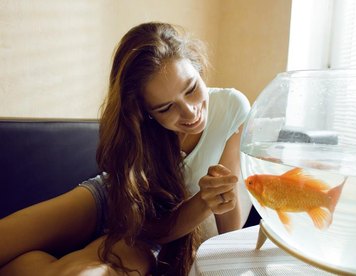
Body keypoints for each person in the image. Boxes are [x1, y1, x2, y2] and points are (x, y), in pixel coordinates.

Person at [0, 22, 251, 275]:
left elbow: (224, 229)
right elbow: (123, 201)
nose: (190, 111)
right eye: (166, 108)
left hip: (143, 231)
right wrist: (203, 202)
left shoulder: (232, 107)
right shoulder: (135, 131)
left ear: (197, 69)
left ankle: (32, 264)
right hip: (114, 198)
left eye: (191, 88)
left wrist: (207, 202)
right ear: (145, 112)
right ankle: (30, 262)